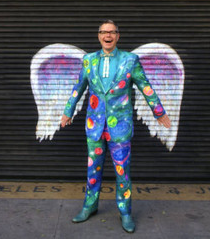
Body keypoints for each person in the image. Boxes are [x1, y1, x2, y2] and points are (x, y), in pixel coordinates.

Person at [60, 20, 171, 233]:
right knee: (93, 170)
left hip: (120, 128)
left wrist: (159, 112)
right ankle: (89, 206)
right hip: (94, 126)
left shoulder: (130, 61)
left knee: (123, 172)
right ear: (98, 35)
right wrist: (67, 112)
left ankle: (125, 212)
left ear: (118, 36)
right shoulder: (88, 61)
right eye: (103, 32)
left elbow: (145, 87)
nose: (107, 35)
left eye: (111, 32)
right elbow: (78, 88)